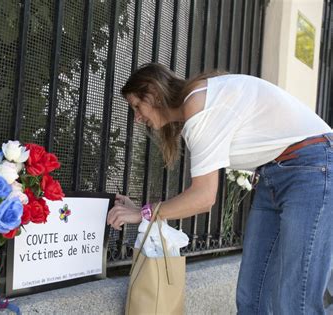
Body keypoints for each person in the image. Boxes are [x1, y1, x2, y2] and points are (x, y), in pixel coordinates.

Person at [107, 63, 333, 314]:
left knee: (295, 302)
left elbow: (203, 198)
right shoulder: (198, 102)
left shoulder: (198, 105)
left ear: (153, 93)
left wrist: (143, 213)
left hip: (312, 167)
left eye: (137, 106)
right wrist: (145, 211)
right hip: (275, 173)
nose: (137, 118)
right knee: (251, 298)